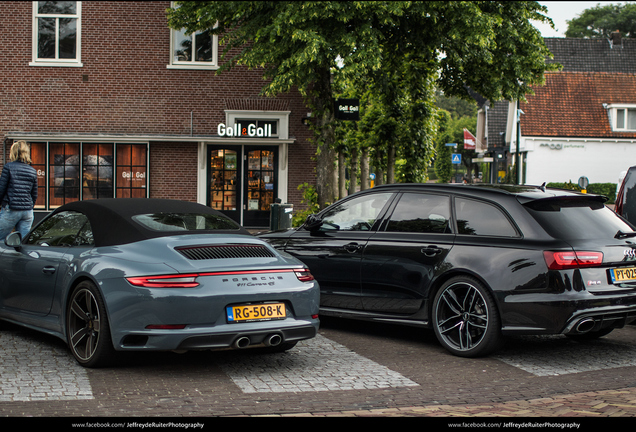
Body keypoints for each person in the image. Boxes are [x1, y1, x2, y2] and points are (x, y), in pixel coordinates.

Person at [0, 140, 38, 240]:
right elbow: (34, 194)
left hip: (11, 209)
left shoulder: (8, 167)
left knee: (1, 240)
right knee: (23, 242)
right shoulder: (32, 171)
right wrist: (29, 206)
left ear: (14, 152)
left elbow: (1, 189)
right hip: (27, 212)